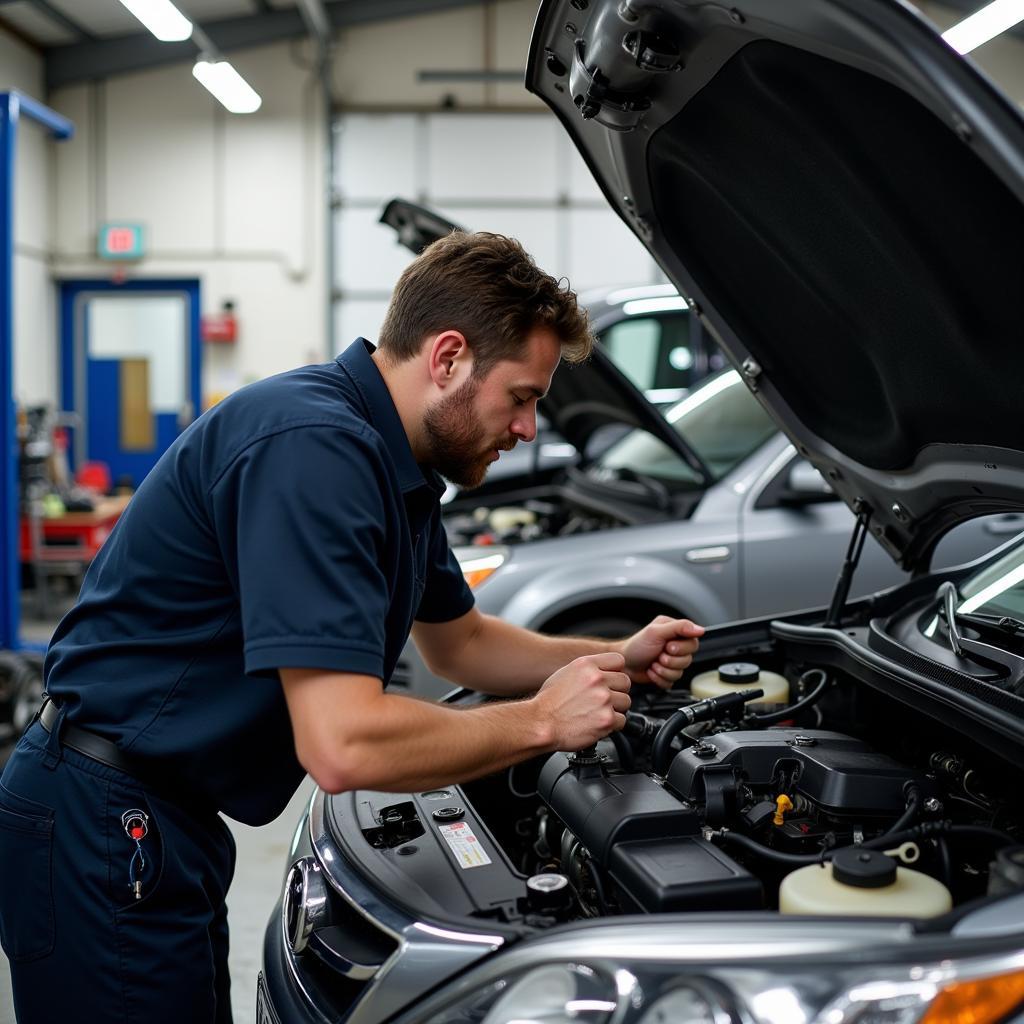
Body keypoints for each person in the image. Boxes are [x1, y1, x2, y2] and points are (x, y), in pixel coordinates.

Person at [0, 232, 704, 1022]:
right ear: (447, 359)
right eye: (522, 396)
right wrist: (543, 721)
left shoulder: (390, 461)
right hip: (102, 820)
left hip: (163, 819)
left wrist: (617, 656)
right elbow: (342, 745)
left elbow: (460, 642)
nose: (529, 428)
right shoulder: (316, 449)